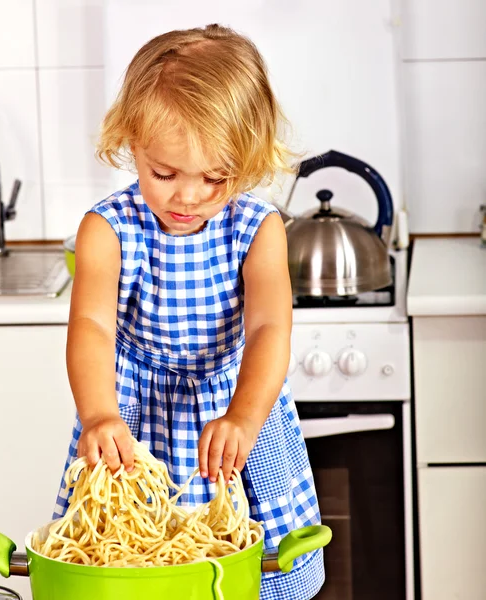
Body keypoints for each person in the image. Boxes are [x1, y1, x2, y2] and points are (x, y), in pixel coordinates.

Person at [53, 23, 324, 599]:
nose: (188, 197)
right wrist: (99, 414)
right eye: (164, 173)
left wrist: (245, 419)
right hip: (138, 421)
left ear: (246, 160)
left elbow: (270, 327)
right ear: (132, 142)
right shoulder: (108, 229)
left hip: (234, 415)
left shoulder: (258, 228)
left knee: (263, 576)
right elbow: (93, 326)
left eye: (215, 177)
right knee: (136, 572)